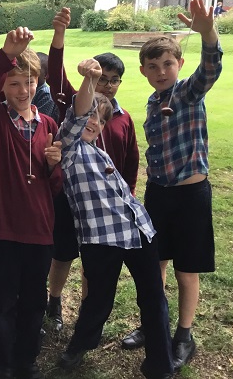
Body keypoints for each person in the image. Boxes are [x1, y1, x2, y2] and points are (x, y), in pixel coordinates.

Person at [55, 58, 174, 379]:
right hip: (101, 239)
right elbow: (78, 114)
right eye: (91, 116)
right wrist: (90, 80)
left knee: (154, 298)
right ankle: (79, 346)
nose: (94, 122)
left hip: (140, 232)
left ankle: (160, 364)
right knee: (99, 300)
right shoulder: (69, 149)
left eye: (101, 119)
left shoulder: (101, 152)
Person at [122, 0, 223, 370]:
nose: (161, 71)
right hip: (159, 194)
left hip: (190, 195)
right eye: (153, 66)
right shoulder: (153, 101)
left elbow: (209, 69)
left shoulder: (187, 92)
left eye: (167, 64)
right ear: (144, 72)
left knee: (185, 269)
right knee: (156, 264)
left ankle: (183, 334)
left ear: (179, 64)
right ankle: (154, 323)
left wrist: (208, 33)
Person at [0, 27, 62, 379]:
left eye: (29, 82)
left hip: (38, 231)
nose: (23, 91)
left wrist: (53, 166)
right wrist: (4, 56)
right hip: (2, 231)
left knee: (34, 303)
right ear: (2, 87)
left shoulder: (47, 124)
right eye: (14, 83)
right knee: (4, 304)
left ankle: (27, 362)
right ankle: (7, 365)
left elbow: (54, 186)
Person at [44, 7, 140, 332]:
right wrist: (59, 34)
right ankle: (54, 301)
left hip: (104, 206)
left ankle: (87, 313)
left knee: (94, 262)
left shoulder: (122, 118)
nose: (108, 86)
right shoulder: (76, 104)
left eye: (114, 80)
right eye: (103, 78)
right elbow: (55, 73)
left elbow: (130, 162)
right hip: (70, 197)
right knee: (63, 254)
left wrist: (128, 197)